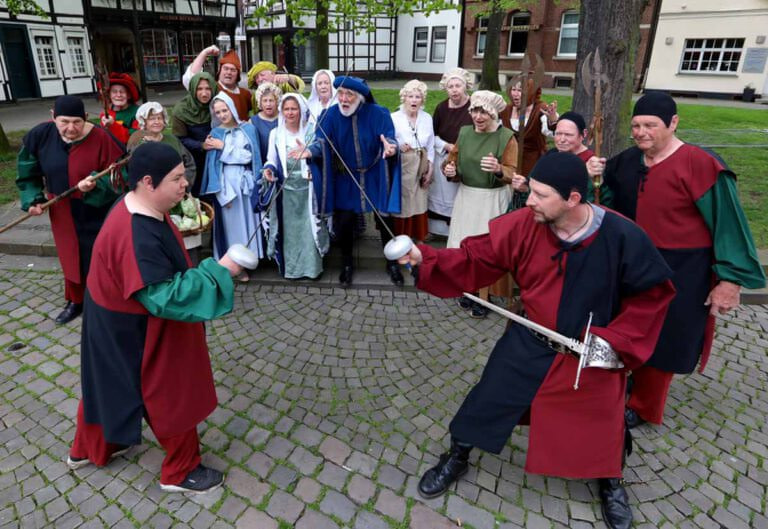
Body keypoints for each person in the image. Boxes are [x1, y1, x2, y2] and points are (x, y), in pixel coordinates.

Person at [400, 152, 676, 529]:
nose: (529, 200)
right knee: (488, 401)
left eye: (541, 194)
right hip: (531, 338)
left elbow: (651, 296)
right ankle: (458, 454)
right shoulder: (525, 224)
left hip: (588, 352)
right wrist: (424, 258)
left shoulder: (622, 235)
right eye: (531, 190)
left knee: (603, 422)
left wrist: (615, 342)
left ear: (574, 199)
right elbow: (474, 258)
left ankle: (611, 481)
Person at [67, 141, 247, 493]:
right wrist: (220, 272)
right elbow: (164, 296)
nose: (185, 184)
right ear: (148, 182)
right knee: (171, 388)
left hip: (111, 320)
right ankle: (180, 471)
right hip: (139, 325)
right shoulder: (137, 232)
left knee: (108, 384)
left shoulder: (137, 205)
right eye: (177, 178)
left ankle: (90, 449)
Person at [587, 92, 766, 428]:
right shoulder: (627, 162)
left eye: (650, 125)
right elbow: (603, 201)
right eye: (636, 125)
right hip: (633, 265)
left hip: (683, 271)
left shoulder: (700, 165)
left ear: (673, 123)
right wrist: (594, 176)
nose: (641, 132)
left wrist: (729, 282)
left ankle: (644, 407)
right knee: (627, 327)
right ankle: (625, 385)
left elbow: (729, 224)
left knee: (666, 338)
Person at [16, 95, 125, 325]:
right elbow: (27, 172)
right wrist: (33, 199)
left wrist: (96, 182)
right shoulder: (40, 136)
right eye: (64, 122)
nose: (70, 128)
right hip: (61, 207)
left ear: (86, 118)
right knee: (70, 254)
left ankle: (103, 299)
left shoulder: (101, 137)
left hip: (97, 209)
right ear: (53, 117)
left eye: (77, 122)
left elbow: (121, 173)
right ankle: (76, 300)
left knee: (98, 254)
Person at [305, 75, 402, 287]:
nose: (343, 98)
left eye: (349, 94)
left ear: (360, 97)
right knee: (345, 221)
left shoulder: (379, 113)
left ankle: (392, 261)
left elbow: (389, 137)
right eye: (340, 93)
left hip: (374, 173)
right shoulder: (329, 115)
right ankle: (346, 263)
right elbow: (319, 142)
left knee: (385, 218)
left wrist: (391, 147)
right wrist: (308, 153)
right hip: (345, 176)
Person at [443, 91, 517, 318]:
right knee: (464, 243)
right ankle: (468, 290)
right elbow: (452, 161)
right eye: (475, 110)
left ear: (493, 113)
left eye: (483, 111)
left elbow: (512, 172)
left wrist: (498, 169)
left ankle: (485, 298)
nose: (478, 116)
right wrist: (450, 170)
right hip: (467, 197)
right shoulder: (464, 134)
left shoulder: (506, 137)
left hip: (492, 199)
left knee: (486, 249)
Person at [260, 93, 332, 279]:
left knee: (309, 231)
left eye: (294, 108)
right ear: (281, 111)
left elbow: (321, 152)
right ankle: (292, 269)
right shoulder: (275, 134)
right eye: (286, 109)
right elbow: (271, 159)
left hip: (308, 190)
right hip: (286, 192)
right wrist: (268, 169)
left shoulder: (311, 130)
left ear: (301, 110)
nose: (290, 113)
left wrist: (309, 153)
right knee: (290, 233)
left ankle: (312, 269)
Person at [200, 93, 264, 278]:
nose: (222, 114)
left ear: (232, 108)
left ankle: (250, 260)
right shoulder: (215, 135)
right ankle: (235, 266)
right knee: (233, 227)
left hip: (246, 183)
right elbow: (213, 168)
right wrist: (222, 195)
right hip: (227, 185)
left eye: (224, 110)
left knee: (249, 224)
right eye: (218, 112)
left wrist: (224, 148)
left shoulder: (248, 129)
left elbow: (250, 157)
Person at [429, 68, 474, 237]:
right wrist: (446, 146)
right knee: (440, 194)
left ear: (465, 86)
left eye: (458, 85)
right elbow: (431, 135)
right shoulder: (441, 108)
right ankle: (438, 230)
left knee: (460, 195)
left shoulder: (473, 106)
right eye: (450, 86)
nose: (454, 89)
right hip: (444, 157)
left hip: (466, 157)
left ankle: (459, 229)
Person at [500, 79, 557, 210]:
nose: (516, 94)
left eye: (521, 90)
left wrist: (552, 119)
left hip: (533, 163)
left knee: (529, 202)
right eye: (513, 89)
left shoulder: (540, 109)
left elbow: (551, 132)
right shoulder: (506, 110)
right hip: (510, 161)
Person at [512, 111, 593, 199]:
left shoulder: (590, 163)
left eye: (568, 135)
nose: (562, 139)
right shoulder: (550, 155)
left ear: (583, 134)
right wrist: (525, 185)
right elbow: (533, 182)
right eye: (558, 133)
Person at [391, 80, 434, 243]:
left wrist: (430, 169)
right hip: (403, 164)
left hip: (421, 162)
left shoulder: (427, 118)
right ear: (404, 98)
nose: (414, 100)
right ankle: (402, 238)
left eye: (418, 97)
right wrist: (398, 145)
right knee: (405, 200)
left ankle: (419, 239)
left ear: (422, 100)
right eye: (410, 96)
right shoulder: (394, 117)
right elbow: (388, 140)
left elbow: (430, 146)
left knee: (420, 200)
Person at [128, 102, 196, 188]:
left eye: (159, 118)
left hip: (179, 188)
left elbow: (189, 163)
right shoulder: (139, 145)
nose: (157, 122)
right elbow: (137, 173)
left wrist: (184, 183)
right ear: (144, 122)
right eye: (152, 119)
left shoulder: (172, 139)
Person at [172, 71, 218, 197]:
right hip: (193, 159)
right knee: (198, 193)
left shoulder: (218, 104)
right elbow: (179, 139)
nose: (204, 93)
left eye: (208, 88)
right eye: (199, 89)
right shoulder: (181, 110)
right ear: (193, 89)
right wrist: (201, 145)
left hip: (216, 156)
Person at [183, 46, 251, 121]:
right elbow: (191, 80)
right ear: (220, 71)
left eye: (233, 70)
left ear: (237, 74)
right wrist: (205, 52)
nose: (229, 72)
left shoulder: (245, 94)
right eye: (226, 68)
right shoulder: (211, 89)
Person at [99, 73, 141, 145]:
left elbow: (133, 138)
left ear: (129, 95)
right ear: (109, 95)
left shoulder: (138, 112)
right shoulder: (105, 114)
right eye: (114, 92)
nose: (118, 95)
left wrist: (113, 125)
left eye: (122, 92)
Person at [250, 82, 283, 165]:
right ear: (260, 103)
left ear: (277, 101)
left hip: (282, 162)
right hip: (261, 162)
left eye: (271, 100)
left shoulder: (284, 118)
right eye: (265, 101)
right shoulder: (253, 121)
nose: (268, 104)